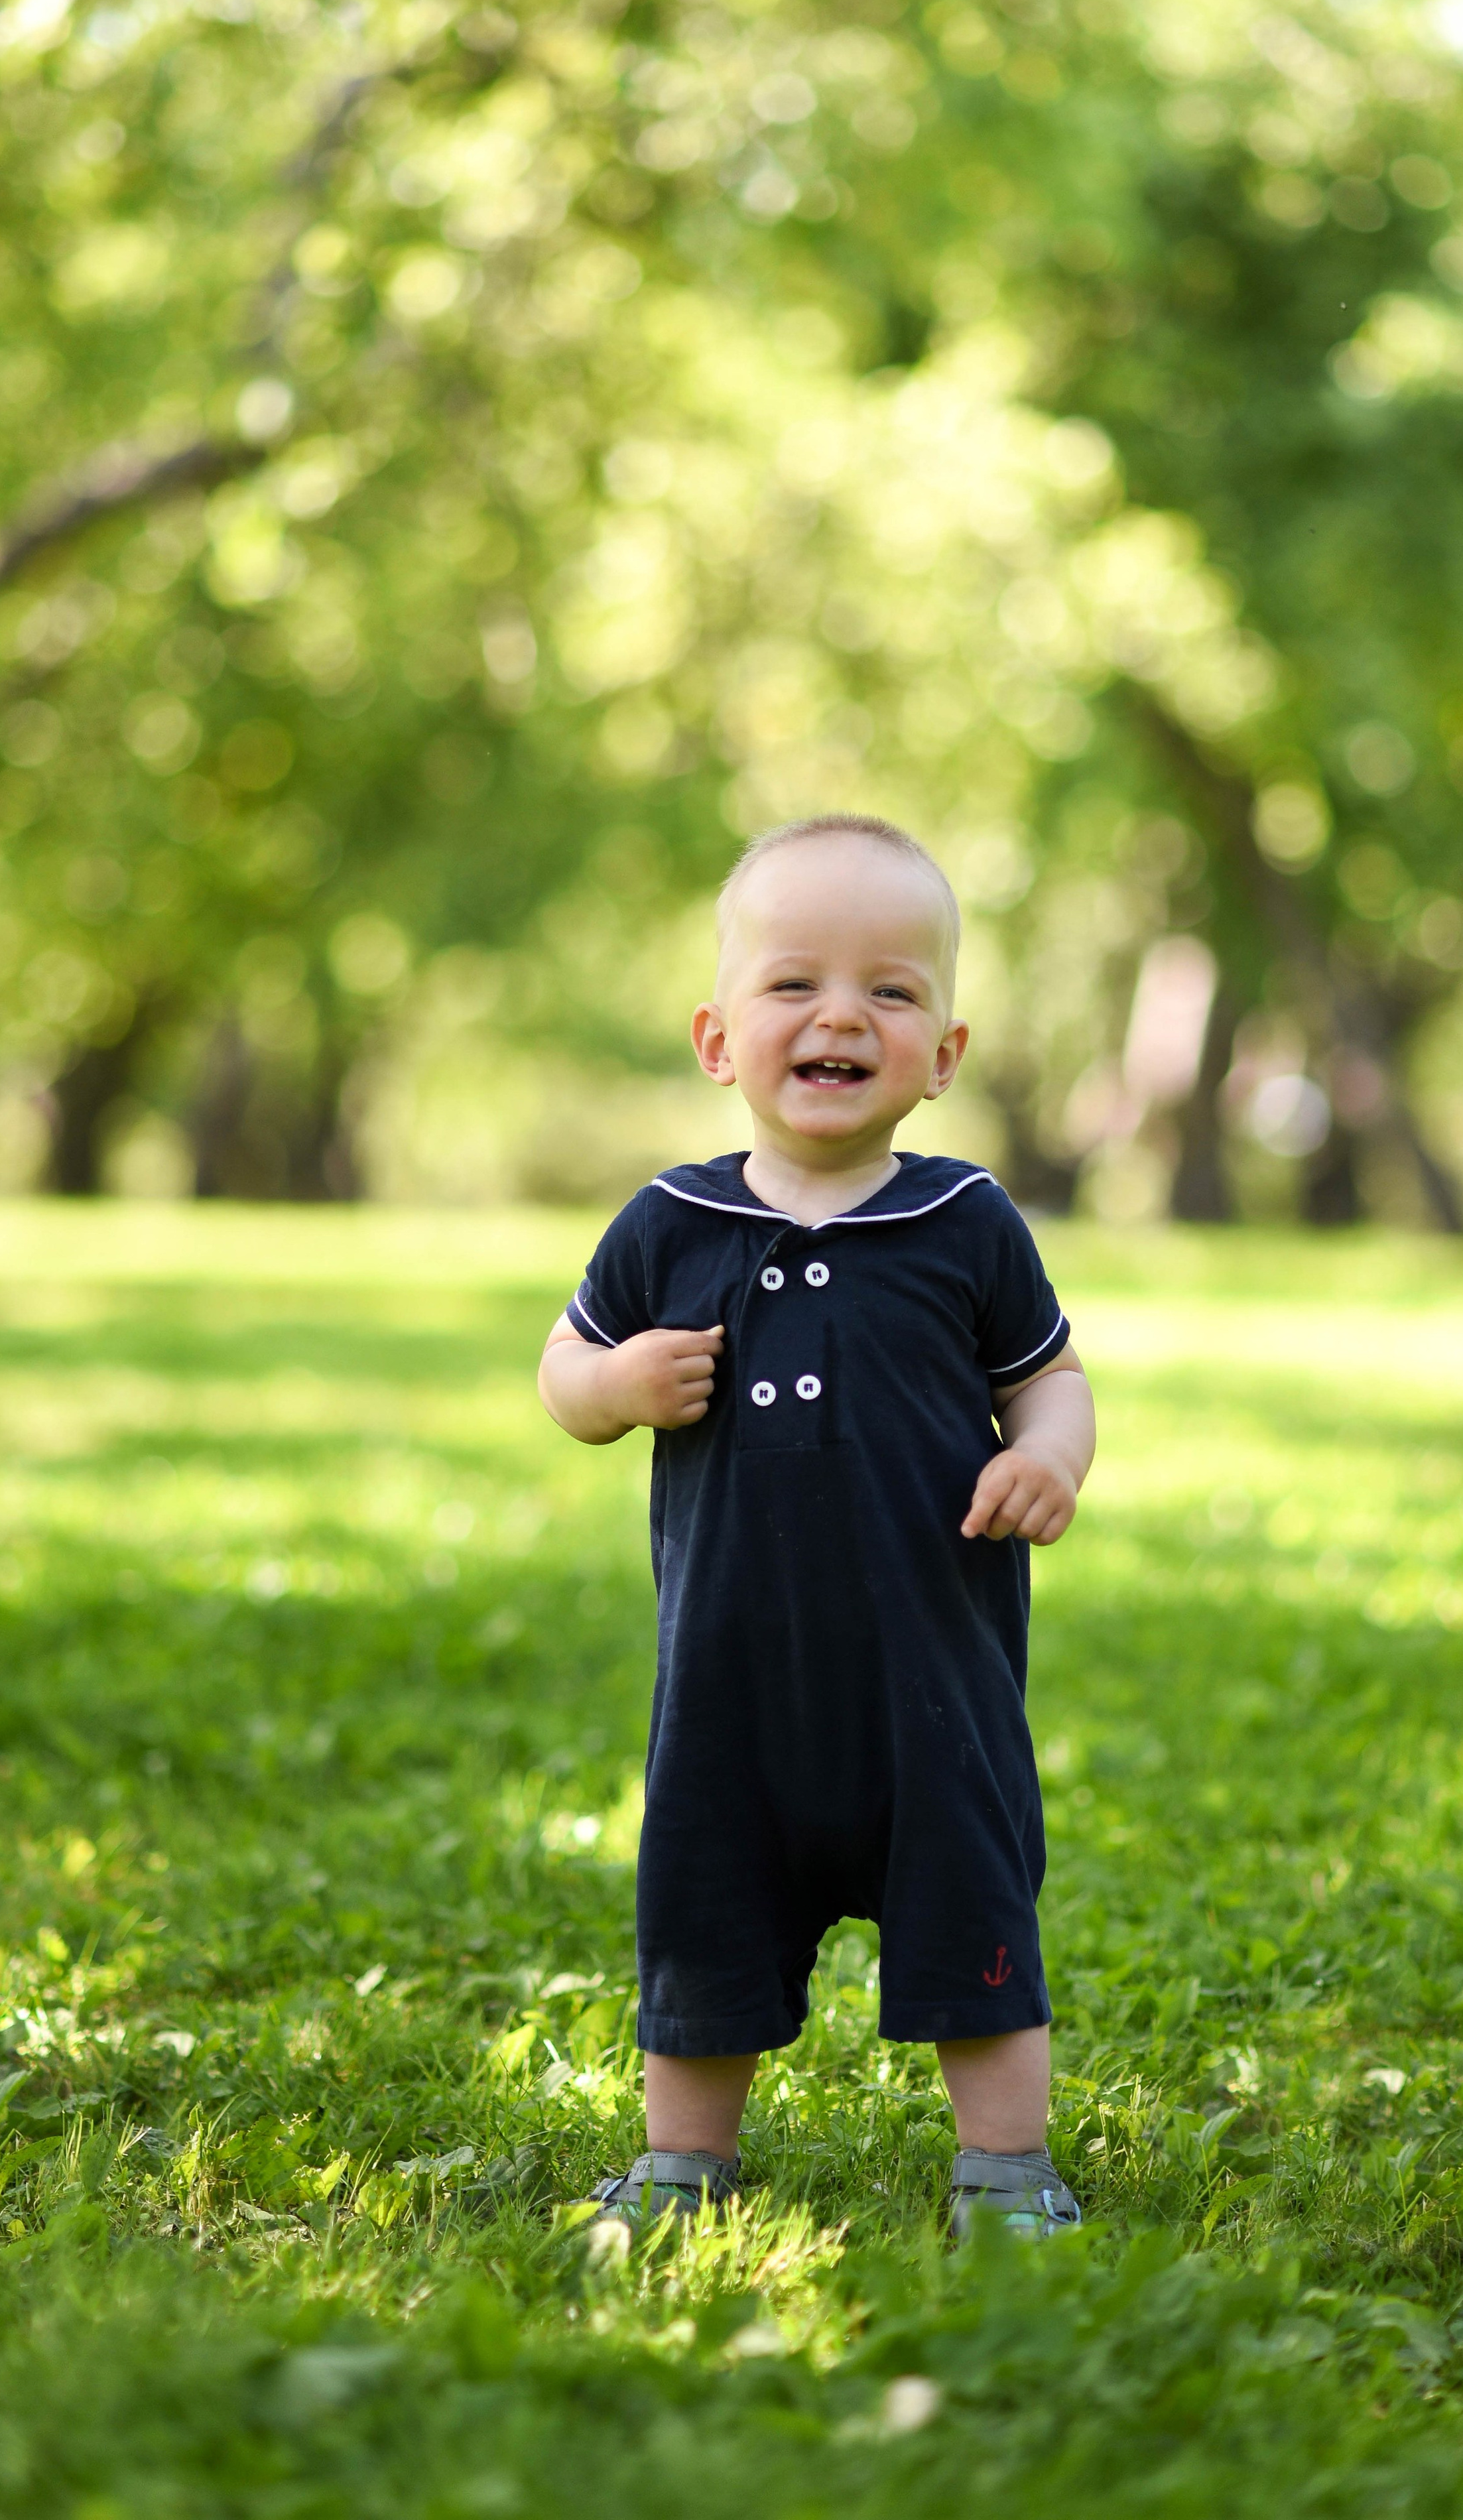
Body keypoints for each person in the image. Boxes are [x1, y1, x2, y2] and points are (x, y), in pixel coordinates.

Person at [538, 812, 1096, 2239]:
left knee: (975, 1901)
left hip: (936, 1675)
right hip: (734, 1674)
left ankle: (1006, 2170)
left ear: (945, 1054)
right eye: (795, 985)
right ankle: (684, 2162)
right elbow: (561, 1375)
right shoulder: (668, 1223)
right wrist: (616, 1383)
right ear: (720, 1038)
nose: (842, 1014)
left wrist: (1048, 1458)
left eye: (892, 991)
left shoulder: (968, 1222)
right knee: (707, 1902)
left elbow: (1051, 1380)